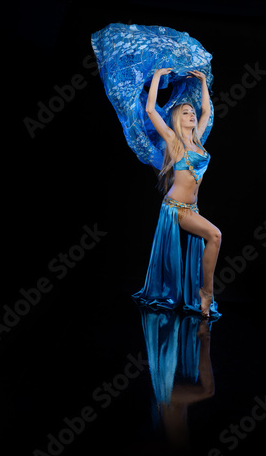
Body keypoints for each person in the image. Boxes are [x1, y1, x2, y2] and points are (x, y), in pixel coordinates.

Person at [91, 23, 221, 318]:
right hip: (176, 208)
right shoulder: (174, 142)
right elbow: (150, 111)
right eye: (186, 112)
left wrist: (201, 82)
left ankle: (196, 294)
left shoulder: (198, 140)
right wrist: (160, 75)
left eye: (191, 112)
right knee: (215, 236)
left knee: (207, 241)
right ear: (178, 119)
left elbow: (208, 111)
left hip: (192, 207)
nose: (191, 114)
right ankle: (205, 294)